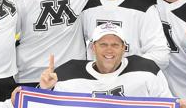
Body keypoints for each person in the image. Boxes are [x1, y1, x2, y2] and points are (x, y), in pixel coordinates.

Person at [39, 22, 172, 98]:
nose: (109, 50)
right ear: (93, 47)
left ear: (124, 48)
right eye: (103, 44)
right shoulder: (66, 73)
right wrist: (44, 89)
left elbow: (168, 106)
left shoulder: (147, 70)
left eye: (115, 45)